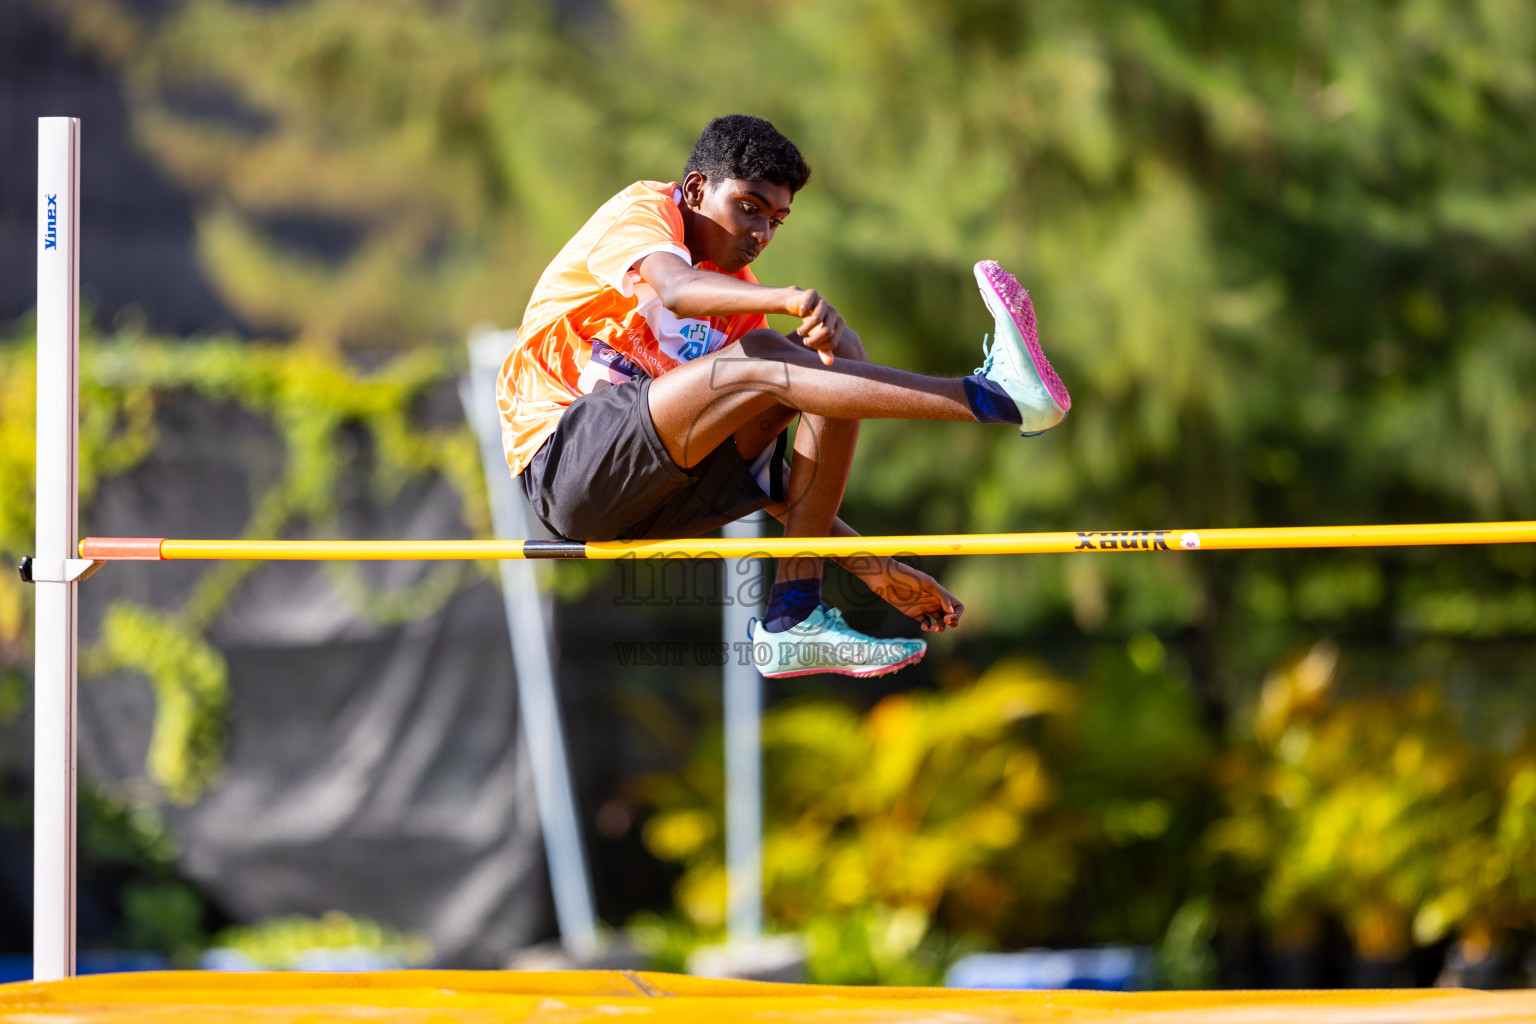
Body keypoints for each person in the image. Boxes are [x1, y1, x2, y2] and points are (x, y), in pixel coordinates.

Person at [497, 114, 1070, 678]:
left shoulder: (740, 308)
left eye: (777, 220)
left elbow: (771, 481)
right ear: (697, 190)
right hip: (564, 466)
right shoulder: (646, 213)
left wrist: (877, 569)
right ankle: (994, 397)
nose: (761, 235)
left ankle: (793, 617)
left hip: (656, 503)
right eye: (748, 208)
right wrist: (788, 298)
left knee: (838, 349)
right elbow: (675, 290)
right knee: (769, 351)